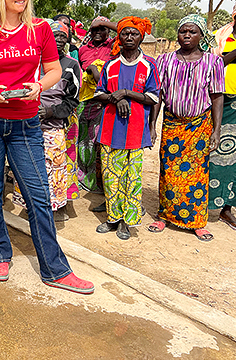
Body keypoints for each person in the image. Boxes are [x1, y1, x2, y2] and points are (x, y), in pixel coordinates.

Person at [0, 0, 93, 294]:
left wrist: (38, 86)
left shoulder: (40, 30)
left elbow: (53, 71)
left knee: (38, 196)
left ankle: (55, 270)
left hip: (26, 124)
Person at [148, 15, 224, 241]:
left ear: (201, 35)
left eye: (192, 32)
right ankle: (165, 215)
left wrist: (216, 130)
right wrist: (153, 125)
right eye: (183, 31)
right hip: (172, 125)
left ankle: (197, 222)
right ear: (177, 35)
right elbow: (158, 96)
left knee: (197, 175)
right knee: (168, 171)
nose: (187, 35)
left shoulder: (213, 62)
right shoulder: (164, 61)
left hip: (200, 126)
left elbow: (217, 96)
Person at [94, 16, 159, 240]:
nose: (129, 37)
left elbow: (153, 97)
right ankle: (113, 218)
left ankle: (127, 222)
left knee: (132, 179)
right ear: (118, 37)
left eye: (134, 34)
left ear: (142, 37)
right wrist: (115, 98)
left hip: (135, 131)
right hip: (110, 130)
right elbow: (98, 93)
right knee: (111, 177)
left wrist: (127, 93)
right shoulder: (110, 65)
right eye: (125, 33)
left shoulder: (148, 65)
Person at [12, 20, 80, 222]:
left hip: (53, 126)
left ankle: (54, 209)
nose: (58, 40)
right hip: (26, 125)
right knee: (27, 168)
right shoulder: (30, 60)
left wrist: (50, 112)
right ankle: (29, 207)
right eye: (54, 35)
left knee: (53, 168)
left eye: (62, 36)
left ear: (67, 40)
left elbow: (72, 100)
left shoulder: (71, 66)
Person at [208, 0, 236, 231]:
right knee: (213, 152)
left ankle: (227, 209)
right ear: (235, 15)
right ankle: (201, 202)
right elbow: (212, 64)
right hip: (221, 101)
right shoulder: (220, 36)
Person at [76, 16, 118, 204]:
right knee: (84, 141)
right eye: (94, 30)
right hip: (85, 101)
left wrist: (102, 23)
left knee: (102, 142)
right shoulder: (83, 49)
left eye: (102, 29)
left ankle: (102, 182)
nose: (98, 33)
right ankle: (85, 180)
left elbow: (128, 29)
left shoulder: (114, 47)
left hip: (108, 101)